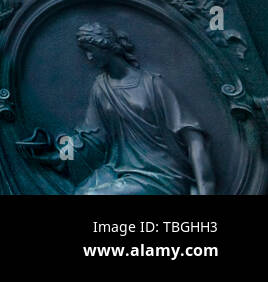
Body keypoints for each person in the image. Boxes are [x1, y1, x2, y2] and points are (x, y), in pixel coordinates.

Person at [32, 23, 215, 194]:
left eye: (90, 50)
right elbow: (93, 139)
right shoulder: (101, 87)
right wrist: (58, 153)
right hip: (121, 169)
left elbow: (194, 139)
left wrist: (205, 188)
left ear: (105, 47)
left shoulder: (153, 85)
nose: (88, 57)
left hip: (161, 174)